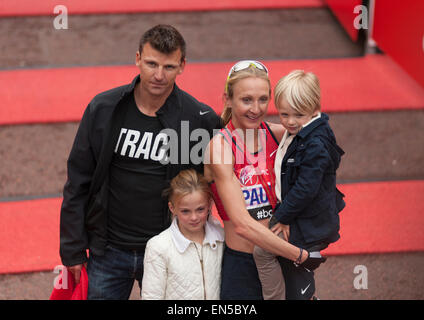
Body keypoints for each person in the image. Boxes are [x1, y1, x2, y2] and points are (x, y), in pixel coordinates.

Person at [59, 24, 222, 300]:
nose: (158, 75)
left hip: (171, 251)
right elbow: (78, 181)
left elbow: (220, 183)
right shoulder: (103, 109)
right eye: (151, 64)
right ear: (137, 58)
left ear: (182, 65)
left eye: (169, 67)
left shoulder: (198, 118)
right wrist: (73, 248)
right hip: (108, 251)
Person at [204, 61, 325, 300]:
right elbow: (242, 225)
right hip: (245, 265)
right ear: (227, 99)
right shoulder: (219, 148)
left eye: (263, 99)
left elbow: (321, 149)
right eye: (246, 100)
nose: (256, 109)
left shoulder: (279, 134)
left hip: (283, 259)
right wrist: (300, 255)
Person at [253, 70, 345, 300]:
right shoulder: (303, 129)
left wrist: (282, 217)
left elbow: (306, 189)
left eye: (298, 115)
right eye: (284, 114)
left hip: (307, 223)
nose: (290, 121)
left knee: (264, 251)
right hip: (300, 216)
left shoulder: (315, 144)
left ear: (315, 109)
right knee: (285, 265)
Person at [141, 169, 224, 300]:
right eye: (185, 211)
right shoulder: (158, 246)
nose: (194, 217)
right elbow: (151, 296)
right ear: (172, 208)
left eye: (200, 209)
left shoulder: (221, 237)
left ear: (209, 205)